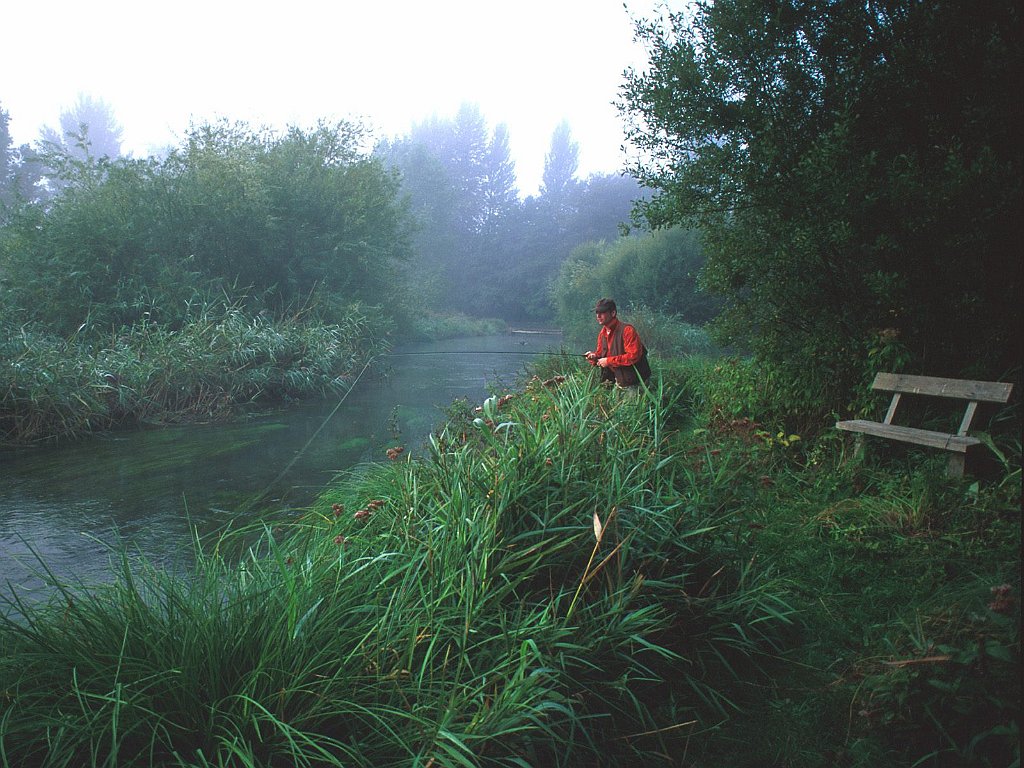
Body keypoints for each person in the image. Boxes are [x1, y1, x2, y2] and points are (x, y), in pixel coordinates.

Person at [585, 298, 651, 391]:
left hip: (635, 382)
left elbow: (633, 356)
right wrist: (594, 356)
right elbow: (601, 354)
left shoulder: (627, 330)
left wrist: (608, 361)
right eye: (597, 312)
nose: (598, 316)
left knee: (631, 405)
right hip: (617, 381)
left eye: (602, 312)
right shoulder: (602, 333)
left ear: (613, 313)